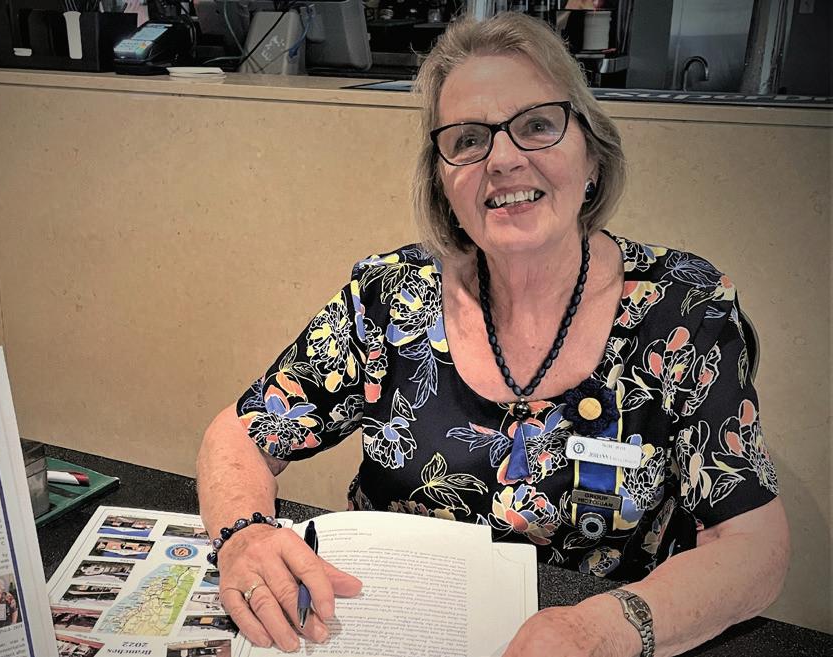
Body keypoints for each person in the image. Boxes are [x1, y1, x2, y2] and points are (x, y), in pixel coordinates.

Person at [196, 13, 790, 657]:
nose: (503, 160)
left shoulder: (685, 308)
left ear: (591, 155)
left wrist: (602, 631)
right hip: (389, 630)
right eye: (469, 139)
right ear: (443, 183)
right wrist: (245, 536)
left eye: (536, 126)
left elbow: (752, 548)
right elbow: (241, 432)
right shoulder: (392, 297)